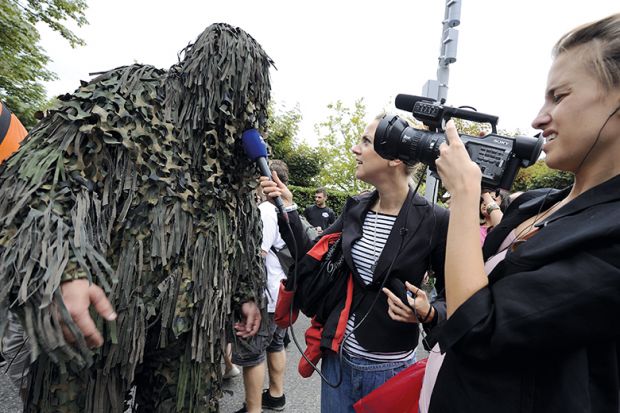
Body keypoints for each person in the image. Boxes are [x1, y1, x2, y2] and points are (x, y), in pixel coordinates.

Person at [0, 23, 272, 412]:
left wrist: (247, 290)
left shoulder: (233, 147)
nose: (245, 107)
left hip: (191, 329)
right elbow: (46, 178)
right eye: (239, 91)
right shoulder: (129, 94)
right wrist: (64, 268)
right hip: (106, 309)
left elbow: (242, 219)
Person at [426, 13, 620, 412]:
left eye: (559, 96)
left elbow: (478, 328)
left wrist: (464, 194)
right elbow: (469, 287)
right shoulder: (540, 202)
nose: (538, 118)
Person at [261, 114, 449, 412]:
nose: (355, 149)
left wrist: (428, 312)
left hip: (389, 370)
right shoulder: (356, 206)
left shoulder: (436, 219)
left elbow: (456, 299)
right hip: (338, 357)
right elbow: (313, 254)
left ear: (394, 159)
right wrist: (288, 207)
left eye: (366, 141)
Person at [232, 160, 289, 413]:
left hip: (264, 295)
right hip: (282, 294)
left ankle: (252, 409)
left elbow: (259, 254)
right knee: (276, 343)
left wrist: (248, 295)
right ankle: (276, 395)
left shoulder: (266, 210)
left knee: (253, 353)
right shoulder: (286, 207)